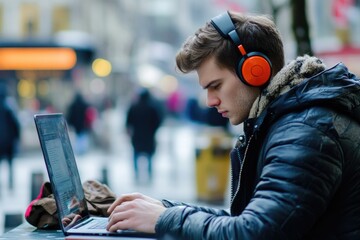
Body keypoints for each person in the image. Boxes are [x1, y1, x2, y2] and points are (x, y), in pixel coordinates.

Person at [106, 11, 360, 239]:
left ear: (255, 70)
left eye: (216, 86)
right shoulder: (292, 120)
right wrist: (162, 211)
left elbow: (254, 232)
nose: (210, 101)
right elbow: (246, 220)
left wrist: (164, 219)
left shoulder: (306, 130)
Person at [125, 88, 163, 183]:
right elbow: (158, 121)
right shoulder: (153, 108)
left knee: (136, 155)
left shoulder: (134, 107)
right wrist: (153, 131)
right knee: (149, 156)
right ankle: (149, 175)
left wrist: (129, 132)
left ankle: (136, 175)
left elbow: (128, 122)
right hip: (149, 136)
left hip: (137, 136)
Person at [0, 83, 20, 191]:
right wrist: (17, 137)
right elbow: (16, 124)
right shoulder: (9, 107)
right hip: (9, 142)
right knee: (10, 165)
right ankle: (10, 184)